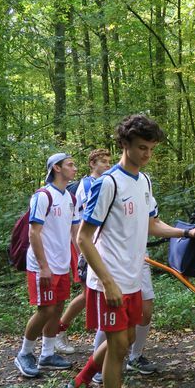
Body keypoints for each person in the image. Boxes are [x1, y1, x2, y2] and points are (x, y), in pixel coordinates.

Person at [67, 114, 195, 388]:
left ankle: (80, 381)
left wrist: (185, 234)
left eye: (152, 148)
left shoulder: (145, 181)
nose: (147, 154)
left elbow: (153, 223)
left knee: (125, 341)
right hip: (107, 280)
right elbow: (83, 238)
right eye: (142, 147)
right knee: (118, 349)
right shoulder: (107, 183)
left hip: (133, 276)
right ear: (124, 144)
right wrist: (108, 282)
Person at [14, 153, 80, 378]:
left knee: (58, 308)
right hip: (43, 265)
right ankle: (24, 353)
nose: (74, 168)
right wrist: (43, 266)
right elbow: (34, 232)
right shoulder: (43, 196)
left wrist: (79, 258)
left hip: (61, 265)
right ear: (57, 168)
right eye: (70, 165)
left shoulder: (70, 198)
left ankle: (48, 353)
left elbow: (74, 231)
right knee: (46, 310)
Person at [55, 148, 112, 355]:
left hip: (98, 245)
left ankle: (105, 336)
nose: (107, 164)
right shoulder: (88, 185)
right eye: (103, 161)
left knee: (92, 292)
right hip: (84, 245)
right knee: (89, 293)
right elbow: (83, 222)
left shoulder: (106, 183)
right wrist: (83, 252)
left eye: (109, 161)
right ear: (92, 164)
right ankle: (59, 331)